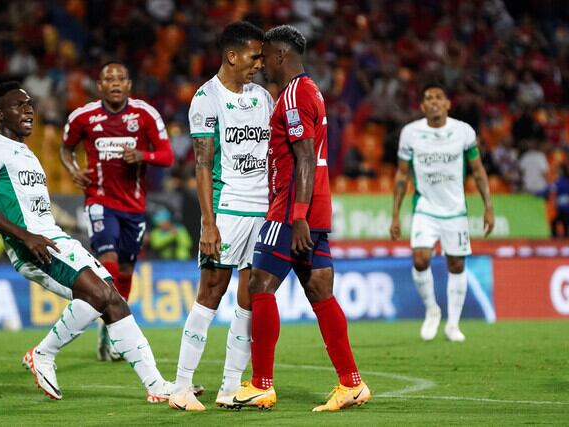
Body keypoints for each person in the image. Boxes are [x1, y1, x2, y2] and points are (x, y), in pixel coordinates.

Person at [0, 81, 172, 402]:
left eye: (29, 104)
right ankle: (43, 354)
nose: (28, 110)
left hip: (52, 237)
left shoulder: (27, 153)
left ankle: (157, 385)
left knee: (113, 300)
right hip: (32, 245)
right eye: (18, 105)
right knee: (99, 294)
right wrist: (26, 236)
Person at [230, 25, 370, 412]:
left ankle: (261, 384)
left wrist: (297, 216)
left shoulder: (293, 95)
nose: (261, 64)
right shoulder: (310, 90)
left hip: (293, 207)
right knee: (320, 290)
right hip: (316, 205)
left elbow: (305, 157)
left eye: (265, 57)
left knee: (259, 284)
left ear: (280, 56)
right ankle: (351, 383)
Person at [167, 21, 273, 411]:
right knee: (212, 292)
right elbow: (202, 164)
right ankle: (181, 387)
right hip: (226, 209)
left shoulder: (263, 97)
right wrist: (208, 224)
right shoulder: (206, 99)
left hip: (261, 211)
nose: (259, 64)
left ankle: (230, 387)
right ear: (232, 55)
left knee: (251, 296)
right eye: (254, 57)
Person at [60, 61, 174, 361]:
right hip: (99, 200)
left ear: (129, 85)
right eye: (108, 79)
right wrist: (73, 170)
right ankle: (114, 330)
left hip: (133, 206)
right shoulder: (83, 116)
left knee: (125, 271)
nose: (114, 83)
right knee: (108, 261)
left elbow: (167, 155)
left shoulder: (145, 114)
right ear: (99, 86)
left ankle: (108, 326)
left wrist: (142, 155)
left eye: (120, 78)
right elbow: (65, 149)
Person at [390, 82, 494, 343]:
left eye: (438, 97)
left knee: (456, 264)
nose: (434, 101)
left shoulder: (463, 132)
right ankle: (432, 310)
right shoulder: (410, 133)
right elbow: (401, 175)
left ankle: (453, 325)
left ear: (448, 103)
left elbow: (478, 171)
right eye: (428, 98)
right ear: (422, 105)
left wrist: (488, 207)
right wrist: (395, 215)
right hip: (424, 208)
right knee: (420, 259)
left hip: (455, 210)